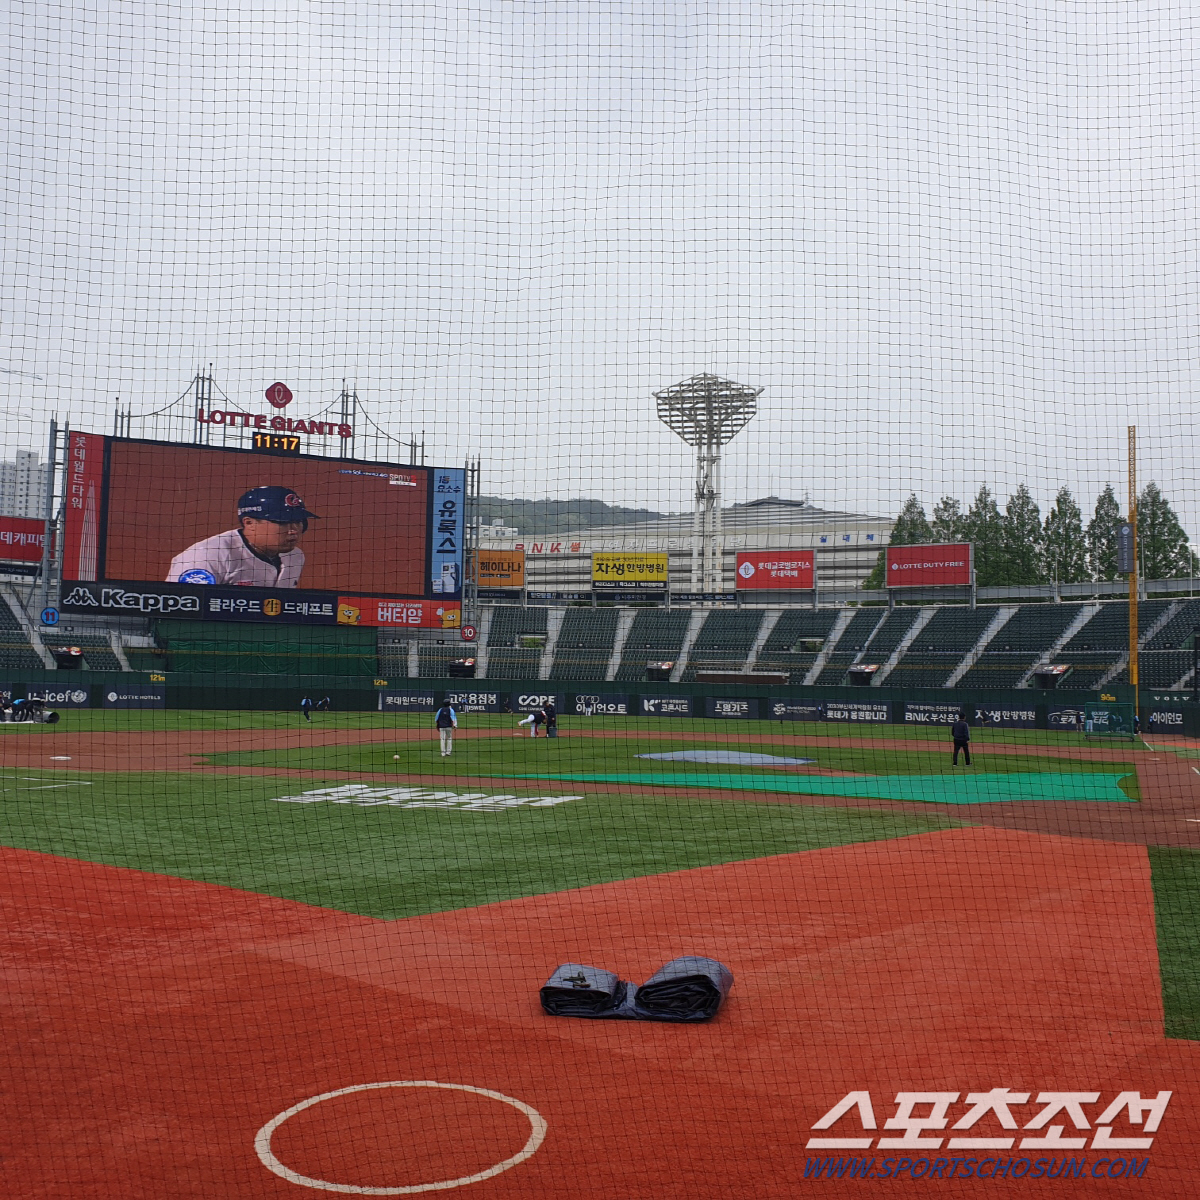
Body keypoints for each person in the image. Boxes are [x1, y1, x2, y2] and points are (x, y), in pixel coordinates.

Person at [166, 486, 319, 587]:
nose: (293, 530)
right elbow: (183, 607)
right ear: (249, 523)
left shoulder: (295, 556)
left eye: (298, 521)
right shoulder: (207, 556)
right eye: (282, 522)